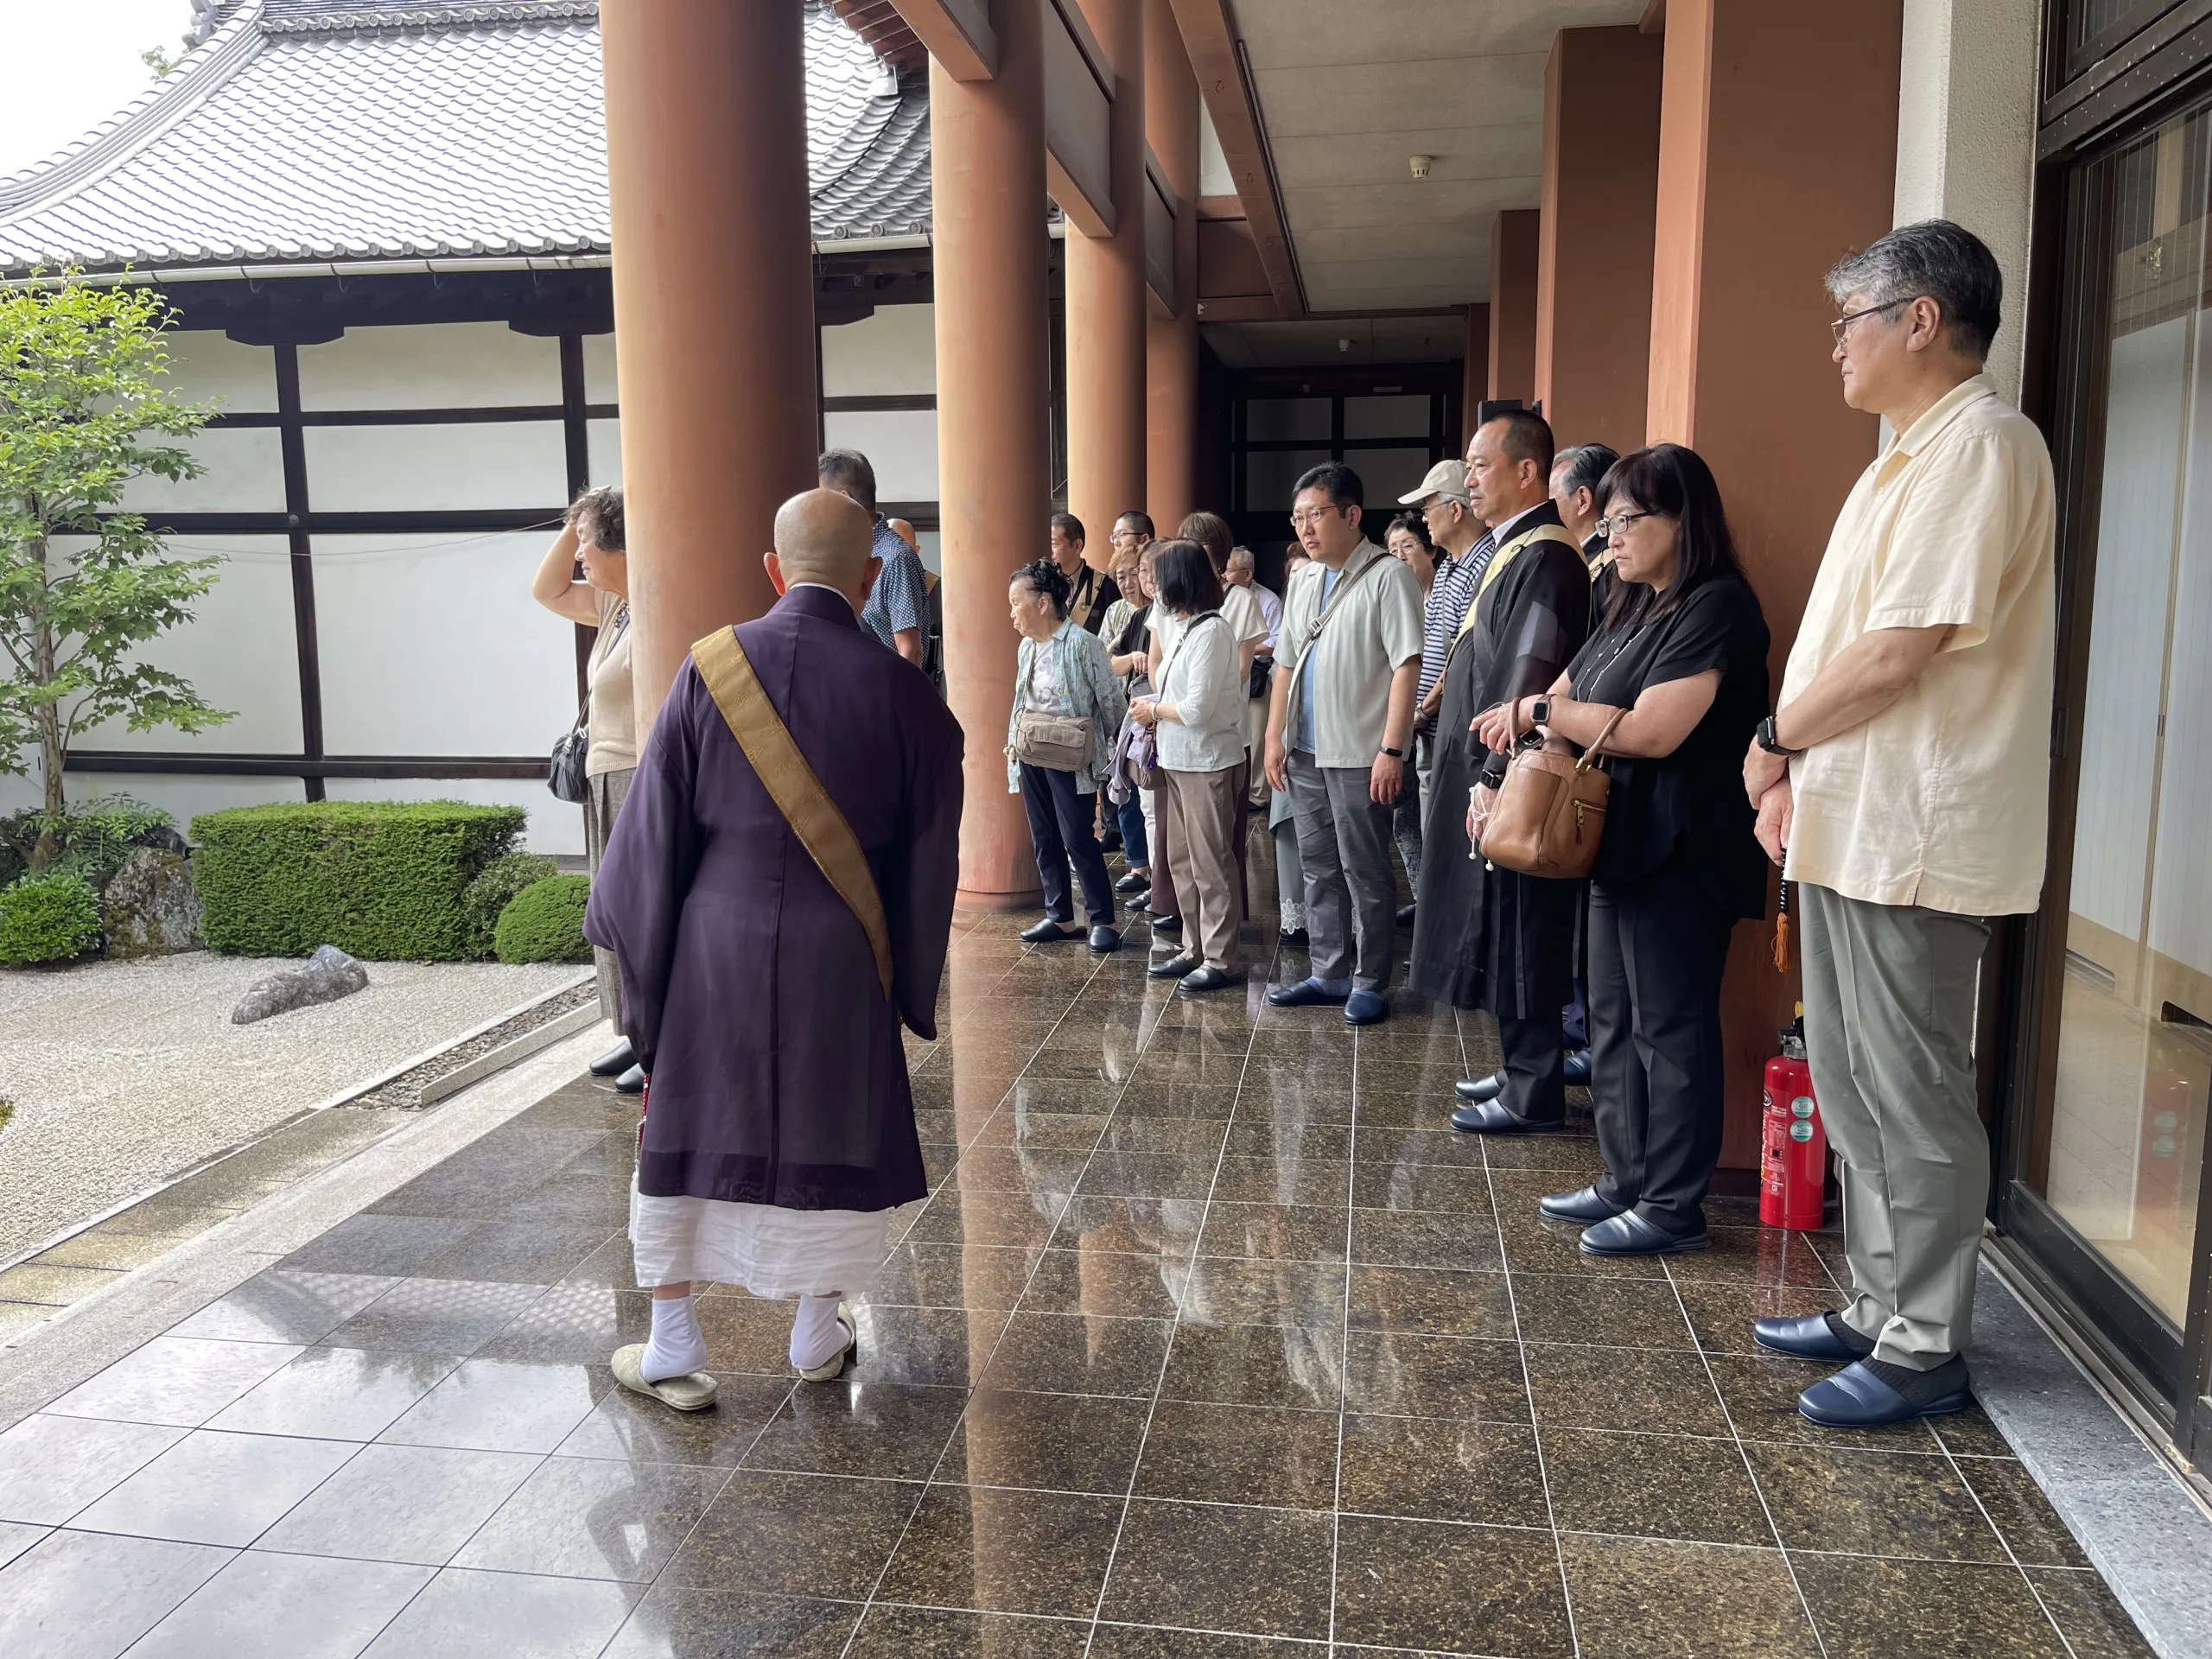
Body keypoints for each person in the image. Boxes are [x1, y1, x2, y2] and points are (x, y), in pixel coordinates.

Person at [1741, 219, 2055, 1428]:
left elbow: (1895, 655)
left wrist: (1774, 741)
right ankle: (1880, 1302)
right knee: (1853, 1078)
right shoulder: (1908, 456)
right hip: (1858, 823)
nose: (1834, 350)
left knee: (1910, 1086)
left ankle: (1926, 1340)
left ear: (1920, 321)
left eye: (1847, 323)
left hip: (1916, 836)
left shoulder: (1981, 445)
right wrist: (1793, 782)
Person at [582, 489, 962, 1402]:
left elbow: (650, 838)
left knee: (684, 1127)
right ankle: (811, 1332)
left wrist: (649, 967)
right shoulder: (908, 697)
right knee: (830, 1125)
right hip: (844, 947)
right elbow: (927, 860)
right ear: (871, 579)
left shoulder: (708, 669)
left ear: (771, 568)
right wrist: (909, 983)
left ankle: (671, 1344)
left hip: (715, 943)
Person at [1476, 444, 1770, 1255]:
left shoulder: (1718, 607)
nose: (1612, 537)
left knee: (1668, 1029)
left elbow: (1650, 728)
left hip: (1684, 849)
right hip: (1618, 842)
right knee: (1611, 1016)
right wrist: (1533, 723)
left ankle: (1674, 1204)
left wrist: (1537, 709)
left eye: (1628, 520)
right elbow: (1571, 691)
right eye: (1605, 522)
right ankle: (1624, 1179)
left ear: (1685, 519)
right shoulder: (1628, 604)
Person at [1409, 410, 1593, 1128]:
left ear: (1527, 472)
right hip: (1484, 759)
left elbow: (1529, 670)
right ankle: (1517, 1068)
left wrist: (1494, 773)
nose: (1469, 480)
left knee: (1520, 924)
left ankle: (1534, 1089)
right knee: (1495, 920)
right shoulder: (1509, 549)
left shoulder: (1547, 556)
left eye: (1481, 466)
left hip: (1514, 769)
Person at [1263, 464, 1425, 1026]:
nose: (1305, 528)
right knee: (1317, 865)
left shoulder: (1389, 576)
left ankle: (1370, 979)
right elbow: (1286, 660)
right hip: (1304, 750)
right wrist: (1273, 735)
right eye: (1298, 517)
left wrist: (1392, 749)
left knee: (1366, 870)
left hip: (1360, 752)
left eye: (1317, 514)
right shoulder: (1304, 577)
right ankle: (1329, 971)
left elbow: (1407, 666)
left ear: (1352, 515)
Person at [531, 485, 644, 1093]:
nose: (580, 559)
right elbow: (544, 590)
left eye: (588, 547)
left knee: (633, 911)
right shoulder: (614, 606)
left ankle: (654, 1037)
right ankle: (631, 1027)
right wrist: (577, 521)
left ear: (620, 548)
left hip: (635, 772)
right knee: (609, 911)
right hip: (604, 774)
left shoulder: (654, 605)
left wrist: (590, 522)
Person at [1132, 539, 1249, 995]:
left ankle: (1221, 958)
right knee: (1180, 859)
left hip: (1208, 762)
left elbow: (1197, 709)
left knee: (1211, 862)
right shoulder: (1182, 626)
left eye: (1159, 575)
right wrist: (1159, 708)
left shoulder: (1212, 631)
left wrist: (1153, 711)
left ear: (1180, 578)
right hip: (1178, 759)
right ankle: (1193, 946)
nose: (1153, 584)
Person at [1008, 557, 1129, 951]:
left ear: (1042, 603)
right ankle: (1059, 915)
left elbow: (1111, 703)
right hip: (1032, 751)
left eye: (1016, 602)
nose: (1012, 612)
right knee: (1043, 836)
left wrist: (1117, 757)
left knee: (1078, 836)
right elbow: (1019, 701)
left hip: (1071, 756)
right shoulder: (1027, 647)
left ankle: (1102, 919)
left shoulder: (1084, 644)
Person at [1399, 460, 1492, 829]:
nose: (1424, 519)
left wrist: (1423, 712)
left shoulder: (1484, 564)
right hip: (1434, 728)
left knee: (1450, 831)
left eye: (1428, 508)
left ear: (1455, 510)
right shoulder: (1450, 568)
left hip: (1452, 729)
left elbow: (1464, 657)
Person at [820, 449, 937, 695]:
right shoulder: (848, 554)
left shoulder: (896, 557)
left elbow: (910, 652)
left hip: (884, 698)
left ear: (845, 499)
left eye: (822, 500)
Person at [1382, 511, 1438, 910]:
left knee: (1429, 821)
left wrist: (1421, 712)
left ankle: (1433, 905)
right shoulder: (1400, 599)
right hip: (1405, 724)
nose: (1399, 556)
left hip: (1432, 724)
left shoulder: (1445, 594)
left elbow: (1452, 663)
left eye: (1408, 547)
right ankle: (1422, 898)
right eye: (1392, 549)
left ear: (1430, 548)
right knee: (1405, 820)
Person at [1099, 542, 1153, 898]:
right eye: (1121, 576)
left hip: (1155, 714)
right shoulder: (1125, 615)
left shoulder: (1160, 613)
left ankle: (1155, 872)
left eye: (1136, 573)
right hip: (1126, 712)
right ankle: (1138, 864)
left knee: (1150, 796)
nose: (1130, 582)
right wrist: (1131, 655)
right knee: (1127, 790)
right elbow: (1109, 661)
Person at [1226, 545, 1284, 810]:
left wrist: (1245, 648)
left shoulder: (1268, 600)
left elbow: (1276, 640)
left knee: (1257, 734)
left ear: (1247, 574)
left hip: (1259, 675)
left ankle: (1258, 794)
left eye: (1228, 570)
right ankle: (1240, 789)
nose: (1224, 575)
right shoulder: (1223, 597)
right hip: (1233, 673)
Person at [1552, 442, 1622, 619]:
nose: (1544, 510)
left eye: (1551, 501)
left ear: (1583, 500)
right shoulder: (1576, 558)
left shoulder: (1615, 568)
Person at [1050, 511, 1121, 634]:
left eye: (1054, 544)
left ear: (1077, 546)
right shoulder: (1045, 585)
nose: (1049, 550)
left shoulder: (1106, 586)